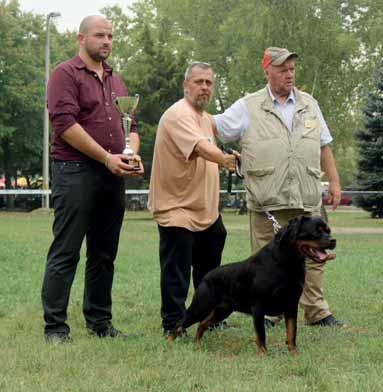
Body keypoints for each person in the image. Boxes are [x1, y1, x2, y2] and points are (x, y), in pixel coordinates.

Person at [213, 47, 343, 327]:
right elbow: (212, 128)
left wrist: (334, 182)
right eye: (283, 69)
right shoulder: (247, 106)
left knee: (316, 257)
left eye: (292, 69)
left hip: (306, 198)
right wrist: (220, 157)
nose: (289, 74)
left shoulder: (310, 104)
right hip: (266, 199)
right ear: (267, 71)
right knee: (265, 262)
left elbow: (324, 145)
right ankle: (270, 312)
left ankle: (317, 311)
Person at [41, 15, 144, 343]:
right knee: (66, 251)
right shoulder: (64, 73)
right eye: (100, 35)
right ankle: (55, 328)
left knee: (104, 253)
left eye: (110, 36)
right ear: (81, 38)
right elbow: (64, 125)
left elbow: (132, 125)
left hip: (112, 173)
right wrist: (105, 157)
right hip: (75, 172)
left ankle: (100, 323)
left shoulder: (116, 79)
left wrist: (131, 153)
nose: (107, 41)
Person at [148, 62, 238, 340]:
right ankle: (173, 323)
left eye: (209, 83)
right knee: (176, 271)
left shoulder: (206, 118)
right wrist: (223, 158)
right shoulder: (178, 115)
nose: (204, 87)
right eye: (198, 82)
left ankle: (207, 315)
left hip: (205, 211)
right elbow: (199, 148)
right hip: (177, 208)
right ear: (186, 86)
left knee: (210, 271)